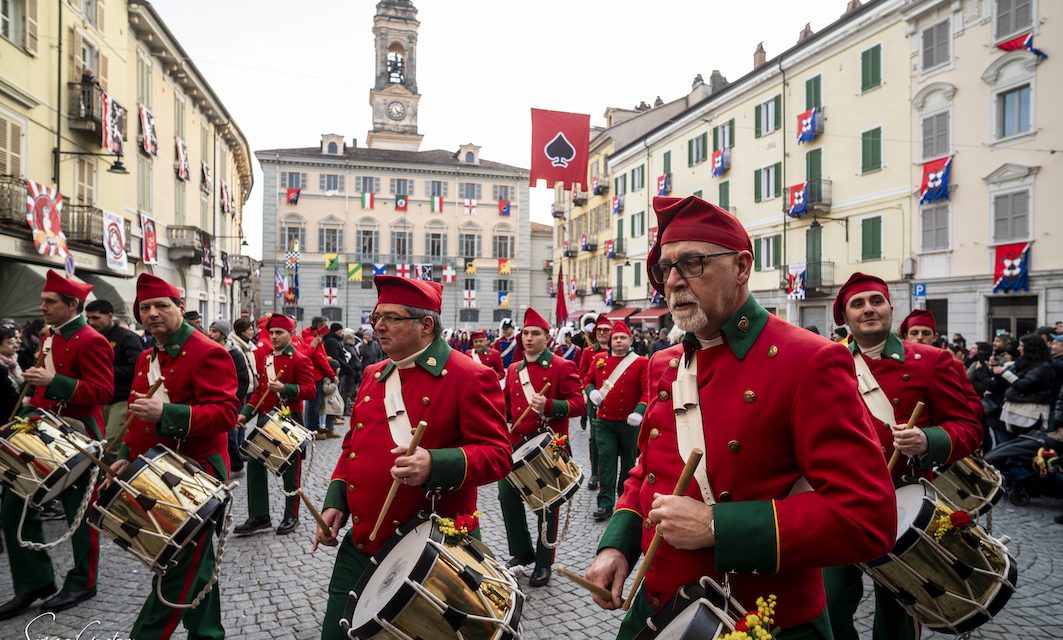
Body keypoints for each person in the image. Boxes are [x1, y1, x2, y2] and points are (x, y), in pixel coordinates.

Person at [585, 196, 896, 640]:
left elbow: (867, 517)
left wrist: (717, 526)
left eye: (691, 263)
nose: (672, 281)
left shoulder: (809, 360)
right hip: (660, 608)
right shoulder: (665, 363)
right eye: (664, 268)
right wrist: (617, 544)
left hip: (757, 620)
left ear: (742, 267)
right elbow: (647, 473)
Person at [313, 276, 511, 640]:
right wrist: (336, 501)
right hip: (363, 538)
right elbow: (351, 447)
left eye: (391, 317)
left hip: (431, 548)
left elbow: (499, 455)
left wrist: (435, 464)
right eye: (376, 318)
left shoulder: (470, 376)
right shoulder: (374, 375)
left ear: (425, 325)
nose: (379, 327)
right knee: (337, 629)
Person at [824, 272, 984, 640]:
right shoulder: (825, 362)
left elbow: (969, 426)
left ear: (890, 309)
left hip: (904, 504)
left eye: (876, 301)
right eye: (858, 304)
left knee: (899, 607)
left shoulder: (932, 361)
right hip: (839, 502)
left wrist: (928, 440)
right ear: (845, 318)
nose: (869, 310)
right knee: (830, 604)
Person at [109, 273, 239, 639]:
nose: (153, 313)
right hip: (156, 469)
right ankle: (208, 633)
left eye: (161, 306)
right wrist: (124, 455)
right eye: (145, 308)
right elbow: (138, 416)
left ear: (179, 308)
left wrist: (169, 415)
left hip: (197, 473)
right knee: (193, 563)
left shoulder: (208, 352)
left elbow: (227, 414)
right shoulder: (147, 356)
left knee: (179, 563)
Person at [0, 271, 114, 619]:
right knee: (14, 507)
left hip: (78, 435)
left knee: (79, 513)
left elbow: (102, 392)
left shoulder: (91, 339)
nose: (42, 306)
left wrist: (56, 381)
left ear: (72, 305)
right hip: (42, 431)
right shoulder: (50, 337)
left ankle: (83, 580)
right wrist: (22, 414)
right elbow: (41, 388)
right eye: (44, 300)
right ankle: (34, 582)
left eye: (50, 302)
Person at [498, 307, 585, 587]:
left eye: (536, 333)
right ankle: (522, 553)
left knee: (547, 506)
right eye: (526, 333)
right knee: (506, 496)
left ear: (547, 337)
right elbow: (506, 409)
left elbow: (579, 404)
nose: (529, 338)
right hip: (517, 445)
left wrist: (550, 406)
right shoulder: (514, 370)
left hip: (549, 447)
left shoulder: (561, 366)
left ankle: (545, 563)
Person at [235, 313, 317, 536]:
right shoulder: (267, 359)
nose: (274, 336)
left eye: (279, 332)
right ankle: (259, 515)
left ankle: (292, 515)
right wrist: (244, 415)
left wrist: (286, 389)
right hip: (265, 420)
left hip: (289, 420)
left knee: (291, 472)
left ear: (291, 334)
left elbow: (310, 390)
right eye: (271, 333)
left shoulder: (300, 359)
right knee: (254, 465)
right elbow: (259, 395)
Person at [587, 321, 647, 522]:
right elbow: (586, 380)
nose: (619, 341)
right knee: (606, 460)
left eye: (623, 337)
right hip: (604, 422)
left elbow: (648, 391)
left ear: (630, 340)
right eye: (615, 338)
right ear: (610, 342)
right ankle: (604, 503)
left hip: (629, 424)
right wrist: (591, 392)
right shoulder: (598, 359)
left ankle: (625, 501)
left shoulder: (640, 363)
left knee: (629, 463)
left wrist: (639, 411)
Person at [86, 299, 146, 461]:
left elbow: (137, 368)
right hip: (98, 398)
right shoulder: (90, 338)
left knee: (112, 442)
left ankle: (110, 477)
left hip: (121, 398)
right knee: (96, 439)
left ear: (110, 316)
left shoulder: (127, 338)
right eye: (89, 318)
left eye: (96, 318)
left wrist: (105, 372)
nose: (91, 322)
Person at [208, 319, 252, 474]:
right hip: (213, 399)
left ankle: (236, 465)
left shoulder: (234, 353)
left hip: (231, 399)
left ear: (223, 334)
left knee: (230, 433)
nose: (211, 334)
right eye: (211, 330)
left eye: (215, 331)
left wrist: (235, 399)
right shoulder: (209, 350)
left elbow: (243, 380)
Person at [578, 314, 613, 490]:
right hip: (594, 402)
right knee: (594, 439)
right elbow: (583, 375)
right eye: (599, 330)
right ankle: (594, 473)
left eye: (606, 330)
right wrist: (590, 393)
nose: (602, 333)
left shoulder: (620, 348)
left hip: (616, 402)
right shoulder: (588, 352)